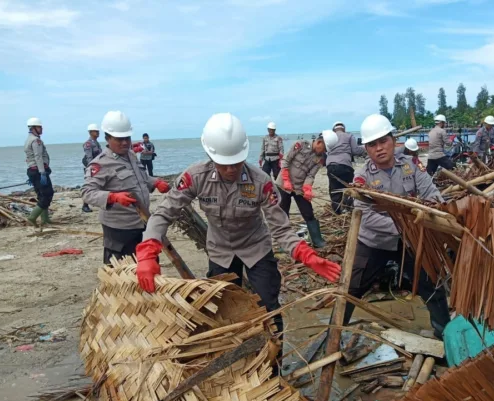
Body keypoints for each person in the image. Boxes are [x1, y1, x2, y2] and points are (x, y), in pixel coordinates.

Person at [135, 113, 341, 368]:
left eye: (236, 162)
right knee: (220, 311)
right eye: (224, 164)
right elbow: (164, 212)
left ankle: (273, 368)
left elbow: (281, 228)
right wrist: (148, 250)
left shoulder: (261, 182)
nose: (231, 169)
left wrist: (304, 253)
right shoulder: (195, 176)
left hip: (256, 248)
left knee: (269, 308)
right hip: (220, 251)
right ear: (211, 156)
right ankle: (233, 367)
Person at [342, 114, 451, 339]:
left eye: (383, 141)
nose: (379, 148)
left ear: (393, 140)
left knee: (431, 284)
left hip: (411, 241)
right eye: (372, 144)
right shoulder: (361, 178)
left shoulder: (411, 165)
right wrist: (406, 226)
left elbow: (430, 192)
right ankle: (334, 336)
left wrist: (443, 212)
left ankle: (444, 334)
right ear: (366, 149)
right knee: (351, 288)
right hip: (374, 241)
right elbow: (367, 216)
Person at [81, 111, 169, 264]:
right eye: (119, 139)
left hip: (142, 221)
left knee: (147, 264)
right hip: (119, 228)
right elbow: (87, 193)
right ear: (108, 138)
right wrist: (112, 197)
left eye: (127, 138)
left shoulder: (131, 156)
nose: (124, 143)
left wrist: (154, 182)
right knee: (122, 272)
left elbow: (141, 178)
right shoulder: (100, 163)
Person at [276, 130, 339, 248]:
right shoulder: (300, 145)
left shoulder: (320, 159)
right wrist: (285, 179)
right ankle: (283, 242)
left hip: (299, 188)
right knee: (283, 214)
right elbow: (285, 160)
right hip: (284, 185)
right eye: (324, 149)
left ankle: (317, 240)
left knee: (308, 213)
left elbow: (311, 175)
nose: (324, 152)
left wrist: (308, 188)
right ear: (319, 142)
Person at [326, 121, 366, 214]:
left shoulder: (329, 138)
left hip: (331, 166)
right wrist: (364, 148)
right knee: (349, 188)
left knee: (334, 190)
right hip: (345, 165)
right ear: (344, 129)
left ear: (334, 130)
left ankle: (337, 212)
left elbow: (326, 151)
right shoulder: (349, 136)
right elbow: (356, 150)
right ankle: (349, 210)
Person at [24, 117, 54, 226]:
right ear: (33, 128)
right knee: (47, 194)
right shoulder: (36, 140)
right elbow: (38, 157)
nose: (41, 129)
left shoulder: (29, 139)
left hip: (33, 170)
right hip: (38, 171)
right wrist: (42, 172)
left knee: (42, 195)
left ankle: (45, 219)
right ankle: (32, 218)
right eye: (39, 127)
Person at [82, 123, 102, 213]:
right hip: (92, 168)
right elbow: (89, 158)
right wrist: (91, 169)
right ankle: (85, 205)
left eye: (98, 131)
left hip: (98, 167)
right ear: (90, 132)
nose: (97, 133)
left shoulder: (96, 143)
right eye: (95, 131)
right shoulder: (88, 144)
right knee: (90, 186)